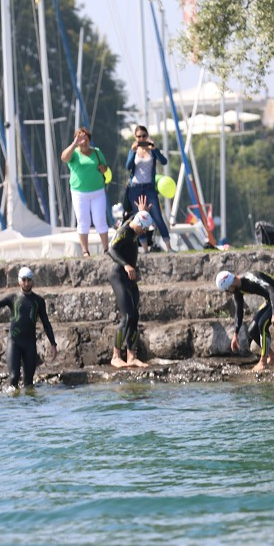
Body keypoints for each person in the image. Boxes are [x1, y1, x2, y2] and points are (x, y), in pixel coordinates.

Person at [0, 266, 58, 389]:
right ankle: (13, 406)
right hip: (14, 342)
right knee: (13, 378)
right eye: (24, 280)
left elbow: (46, 324)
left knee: (28, 383)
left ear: (32, 280)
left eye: (29, 280)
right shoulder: (12, 298)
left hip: (30, 344)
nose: (27, 283)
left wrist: (53, 344)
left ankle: (28, 407)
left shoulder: (38, 301)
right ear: (19, 281)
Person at [215, 269, 274, 373]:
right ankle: (272, 357)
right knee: (252, 329)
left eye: (227, 290)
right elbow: (239, 312)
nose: (228, 292)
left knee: (262, 324)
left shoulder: (252, 277)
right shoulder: (237, 290)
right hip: (270, 301)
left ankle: (263, 362)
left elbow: (272, 291)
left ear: (230, 285)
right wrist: (235, 334)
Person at [107, 210, 154, 369]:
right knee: (126, 317)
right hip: (118, 276)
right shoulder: (125, 231)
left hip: (130, 277)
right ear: (140, 225)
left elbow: (135, 217)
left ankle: (131, 356)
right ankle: (115, 356)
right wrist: (126, 265)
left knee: (134, 316)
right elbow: (111, 250)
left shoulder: (133, 226)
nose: (145, 233)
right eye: (145, 229)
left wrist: (142, 210)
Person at [60, 126, 110, 257]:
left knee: (100, 219)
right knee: (83, 220)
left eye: (86, 139)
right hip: (79, 193)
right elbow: (64, 158)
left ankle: (106, 249)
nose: (84, 141)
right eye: (81, 139)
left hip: (98, 191)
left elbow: (105, 168)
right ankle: (85, 251)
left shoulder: (97, 152)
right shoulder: (74, 153)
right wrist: (74, 144)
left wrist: (103, 168)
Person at [124, 125, 171, 250]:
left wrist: (155, 149)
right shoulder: (134, 150)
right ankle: (145, 249)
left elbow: (164, 161)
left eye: (144, 136)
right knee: (140, 218)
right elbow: (128, 166)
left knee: (158, 217)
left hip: (149, 188)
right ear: (135, 138)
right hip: (135, 188)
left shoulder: (152, 150)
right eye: (139, 136)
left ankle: (169, 246)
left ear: (148, 136)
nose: (141, 139)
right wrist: (132, 151)